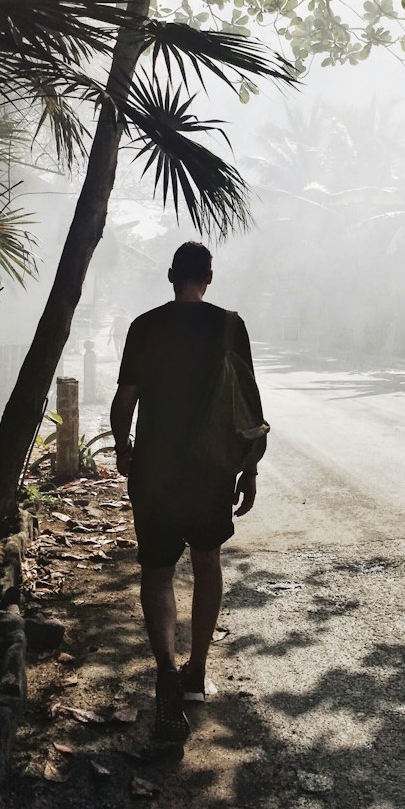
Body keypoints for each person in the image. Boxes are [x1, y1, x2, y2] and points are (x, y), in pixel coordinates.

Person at [109, 241, 258, 743]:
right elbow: (248, 408)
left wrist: (122, 448)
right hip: (211, 471)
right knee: (207, 560)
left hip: (154, 470)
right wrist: (249, 470)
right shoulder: (229, 326)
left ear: (171, 276)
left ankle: (166, 671)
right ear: (209, 278)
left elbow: (124, 397)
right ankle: (196, 669)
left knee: (157, 570)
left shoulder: (144, 327)